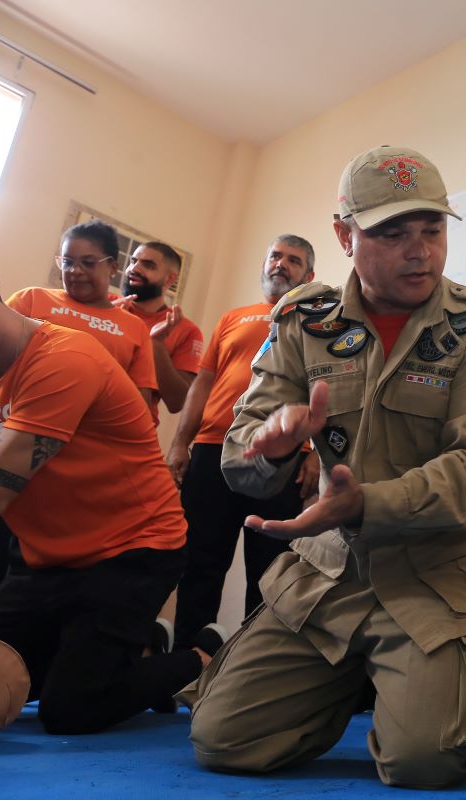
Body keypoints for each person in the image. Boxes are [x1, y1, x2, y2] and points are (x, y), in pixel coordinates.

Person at [179, 145, 466, 789]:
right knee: (220, 739)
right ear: (345, 235)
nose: (420, 250)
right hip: (330, 574)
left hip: (435, 575)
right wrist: (274, 449)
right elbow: (238, 456)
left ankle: (465, 686)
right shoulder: (302, 322)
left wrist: (368, 503)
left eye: (432, 230)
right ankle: (370, 680)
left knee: (424, 760)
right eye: (393, 234)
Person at [0, 263, 213, 734]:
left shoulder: (64, 359)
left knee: (70, 709)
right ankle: (133, 641)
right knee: (4, 678)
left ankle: (204, 656)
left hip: (131, 550)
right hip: (45, 558)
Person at [165, 235, 320, 649]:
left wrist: (316, 455)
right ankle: (187, 666)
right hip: (213, 450)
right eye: (275, 256)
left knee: (268, 568)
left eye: (293, 259)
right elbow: (204, 382)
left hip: (281, 459)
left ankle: (250, 669)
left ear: (309, 275)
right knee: (200, 562)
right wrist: (182, 443)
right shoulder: (233, 317)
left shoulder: (318, 323)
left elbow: (329, 393)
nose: (281, 264)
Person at [6, 220, 156, 415]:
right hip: (16, 419)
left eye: (87, 263)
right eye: (67, 262)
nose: (75, 271)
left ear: (112, 268)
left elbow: (139, 406)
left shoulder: (135, 327)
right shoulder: (31, 299)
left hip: (91, 436)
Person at [116, 241, 205, 425]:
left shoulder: (186, 330)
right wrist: (106, 317)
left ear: (170, 280)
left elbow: (177, 402)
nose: (135, 268)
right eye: (133, 261)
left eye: (148, 265)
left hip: (134, 430)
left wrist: (156, 346)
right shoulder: (106, 305)